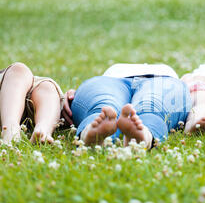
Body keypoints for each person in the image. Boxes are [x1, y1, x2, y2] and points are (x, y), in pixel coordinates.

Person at [63, 63, 191, 148]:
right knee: (151, 108)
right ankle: (92, 134)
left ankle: (142, 136)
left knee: (103, 105)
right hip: (110, 79)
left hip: (162, 79)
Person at [0, 62, 64, 144]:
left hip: (34, 110)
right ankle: (37, 129)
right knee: (23, 73)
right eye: (2, 78)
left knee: (45, 86)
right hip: (24, 111)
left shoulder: (34, 83)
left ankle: (41, 129)